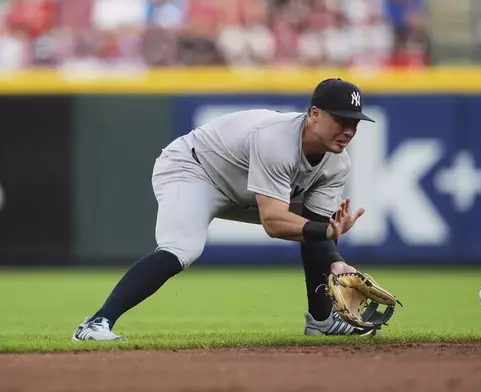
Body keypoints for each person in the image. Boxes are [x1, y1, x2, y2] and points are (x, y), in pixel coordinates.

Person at [73, 78, 376, 341]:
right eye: (341, 119)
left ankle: (322, 323)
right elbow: (273, 222)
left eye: (355, 122)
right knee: (182, 248)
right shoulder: (277, 139)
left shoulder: (337, 164)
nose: (349, 129)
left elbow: (319, 226)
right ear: (314, 114)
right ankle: (96, 323)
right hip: (196, 170)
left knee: (316, 226)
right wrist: (323, 232)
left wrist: (336, 262)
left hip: (246, 189)